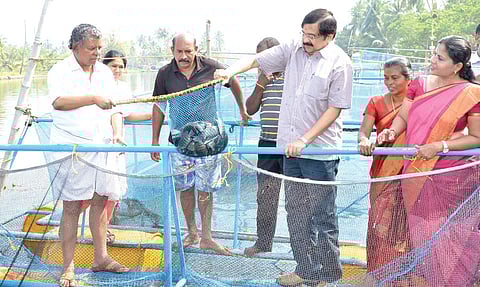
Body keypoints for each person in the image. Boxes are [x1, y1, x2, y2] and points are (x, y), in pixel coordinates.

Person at [216, 8, 352, 286]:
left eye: (313, 36)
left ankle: (326, 275)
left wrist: (305, 140)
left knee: (322, 215)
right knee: (296, 212)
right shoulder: (293, 49)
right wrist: (229, 71)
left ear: (330, 36)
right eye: (304, 33)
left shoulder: (340, 63)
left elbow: (335, 109)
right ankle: (304, 269)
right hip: (288, 151)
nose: (306, 39)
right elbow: (257, 60)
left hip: (319, 153)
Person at [377, 35, 480, 286]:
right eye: (434, 54)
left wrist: (440, 146)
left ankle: (454, 280)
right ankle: (431, 278)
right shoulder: (419, 84)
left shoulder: (471, 92)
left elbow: (477, 137)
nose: (432, 60)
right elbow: (404, 118)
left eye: (440, 57)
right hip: (414, 170)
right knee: (420, 232)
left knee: (449, 234)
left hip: (449, 176)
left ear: (457, 66)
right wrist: (392, 131)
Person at [150, 32, 249, 256]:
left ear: (196, 50)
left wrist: (242, 110)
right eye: (179, 52)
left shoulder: (212, 68)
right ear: (172, 51)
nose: (184, 56)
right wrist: (154, 140)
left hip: (208, 141)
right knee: (185, 188)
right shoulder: (165, 74)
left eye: (188, 51)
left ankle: (207, 237)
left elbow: (233, 81)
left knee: (206, 189)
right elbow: (158, 106)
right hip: (180, 142)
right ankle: (192, 233)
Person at [48, 24, 129, 287]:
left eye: (99, 48)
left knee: (101, 200)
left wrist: (117, 133)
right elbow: (58, 102)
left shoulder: (105, 72)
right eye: (91, 48)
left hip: (103, 145)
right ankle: (68, 266)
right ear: (75, 47)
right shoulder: (60, 70)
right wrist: (93, 98)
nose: (96, 53)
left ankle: (101, 257)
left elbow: (114, 109)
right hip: (72, 148)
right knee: (71, 206)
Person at [358, 57, 411, 272]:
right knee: (380, 217)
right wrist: (363, 140)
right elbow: (364, 131)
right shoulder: (376, 101)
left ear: (409, 78)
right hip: (382, 168)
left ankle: (403, 272)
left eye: (395, 78)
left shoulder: (418, 101)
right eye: (386, 78)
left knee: (406, 220)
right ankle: (378, 269)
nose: (390, 82)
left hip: (410, 169)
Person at [102, 50, 152, 243]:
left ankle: (105, 226)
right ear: (104, 66)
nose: (117, 70)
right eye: (113, 65)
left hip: (117, 143)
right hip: (102, 141)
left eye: (121, 67)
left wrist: (153, 114)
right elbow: (114, 112)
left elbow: (126, 114)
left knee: (115, 190)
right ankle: (99, 229)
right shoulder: (97, 86)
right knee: (100, 191)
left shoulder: (122, 87)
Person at [243, 37, 284, 257]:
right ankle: (263, 242)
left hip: (290, 146)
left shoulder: (292, 75)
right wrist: (261, 83)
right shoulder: (262, 79)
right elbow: (250, 109)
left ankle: (303, 250)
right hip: (267, 143)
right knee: (266, 196)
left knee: (298, 199)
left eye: (263, 57)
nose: (260, 62)